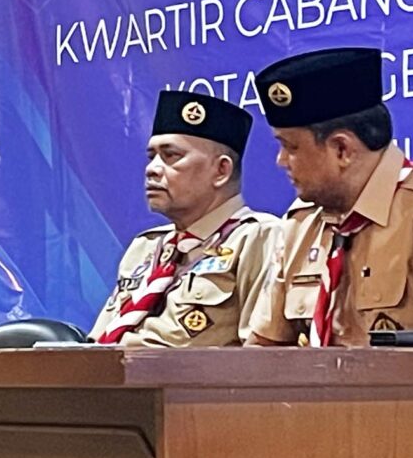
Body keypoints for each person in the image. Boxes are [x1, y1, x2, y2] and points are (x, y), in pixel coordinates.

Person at [243, 47, 413, 347]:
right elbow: (263, 350)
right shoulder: (302, 222)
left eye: (291, 147)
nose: (281, 161)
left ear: (342, 149)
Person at [86, 90, 276, 347]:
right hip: (113, 370)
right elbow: (98, 341)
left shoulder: (259, 239)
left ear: (221, 170)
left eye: (171, 156)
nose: (152, 169)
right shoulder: (146, 247)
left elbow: (262, 354)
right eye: (151, 157)